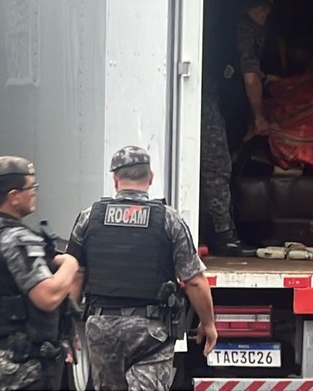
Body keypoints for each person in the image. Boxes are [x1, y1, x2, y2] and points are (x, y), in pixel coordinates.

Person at [66, 146, 218, 390]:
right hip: (151, 331)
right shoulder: (169, 219)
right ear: (151, 178)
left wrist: (68, 329)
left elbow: (75, 277)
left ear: (115, 180)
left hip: (102, 328)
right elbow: (194, 280)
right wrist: (208, 323)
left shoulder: (89, 217)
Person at [0, 156, 79, 390]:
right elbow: (47, 297)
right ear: (13, 196)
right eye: (31, 187)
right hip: (20, 365)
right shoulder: (17, 237)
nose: (34, 192)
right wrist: (71, 264)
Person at [200, 0, 274, 256]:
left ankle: (213, 230)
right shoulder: (243, 31)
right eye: (261, 8)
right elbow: (250, 77)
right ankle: (223, 236)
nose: (265, 14)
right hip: (206, 100)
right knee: (216, 166)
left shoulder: (224, 30)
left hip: (216, 101)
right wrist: (260, 117)